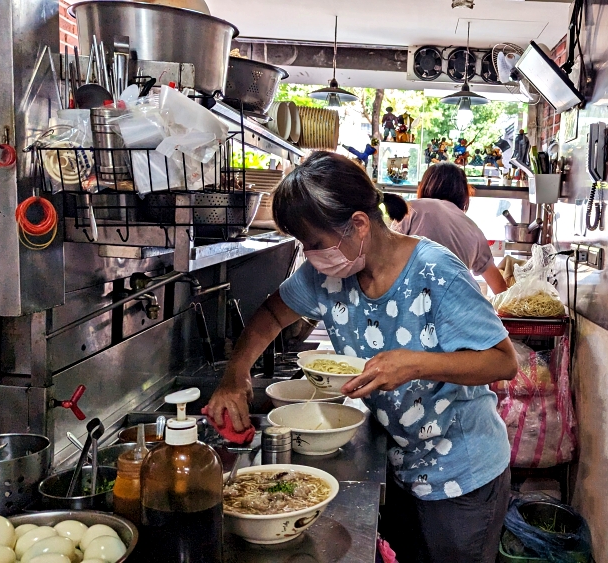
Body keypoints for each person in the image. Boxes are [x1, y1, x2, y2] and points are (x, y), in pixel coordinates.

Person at [206, 152, 517, 563]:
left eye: (315, 243)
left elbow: (502, 361)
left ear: (357, 224)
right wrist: (235, 374)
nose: (311, 255)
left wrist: (415, 363)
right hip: (403, 463)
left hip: (463, 476)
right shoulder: (327, 275)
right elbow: (272, 314)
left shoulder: (436, 272)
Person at [384, 163, 509, 295]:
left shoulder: (412, 209)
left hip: (408, 304)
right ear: (464, 193)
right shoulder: (474, 229)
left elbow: (385, 256)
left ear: (424, 186)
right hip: (452, 310)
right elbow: (500, 288)